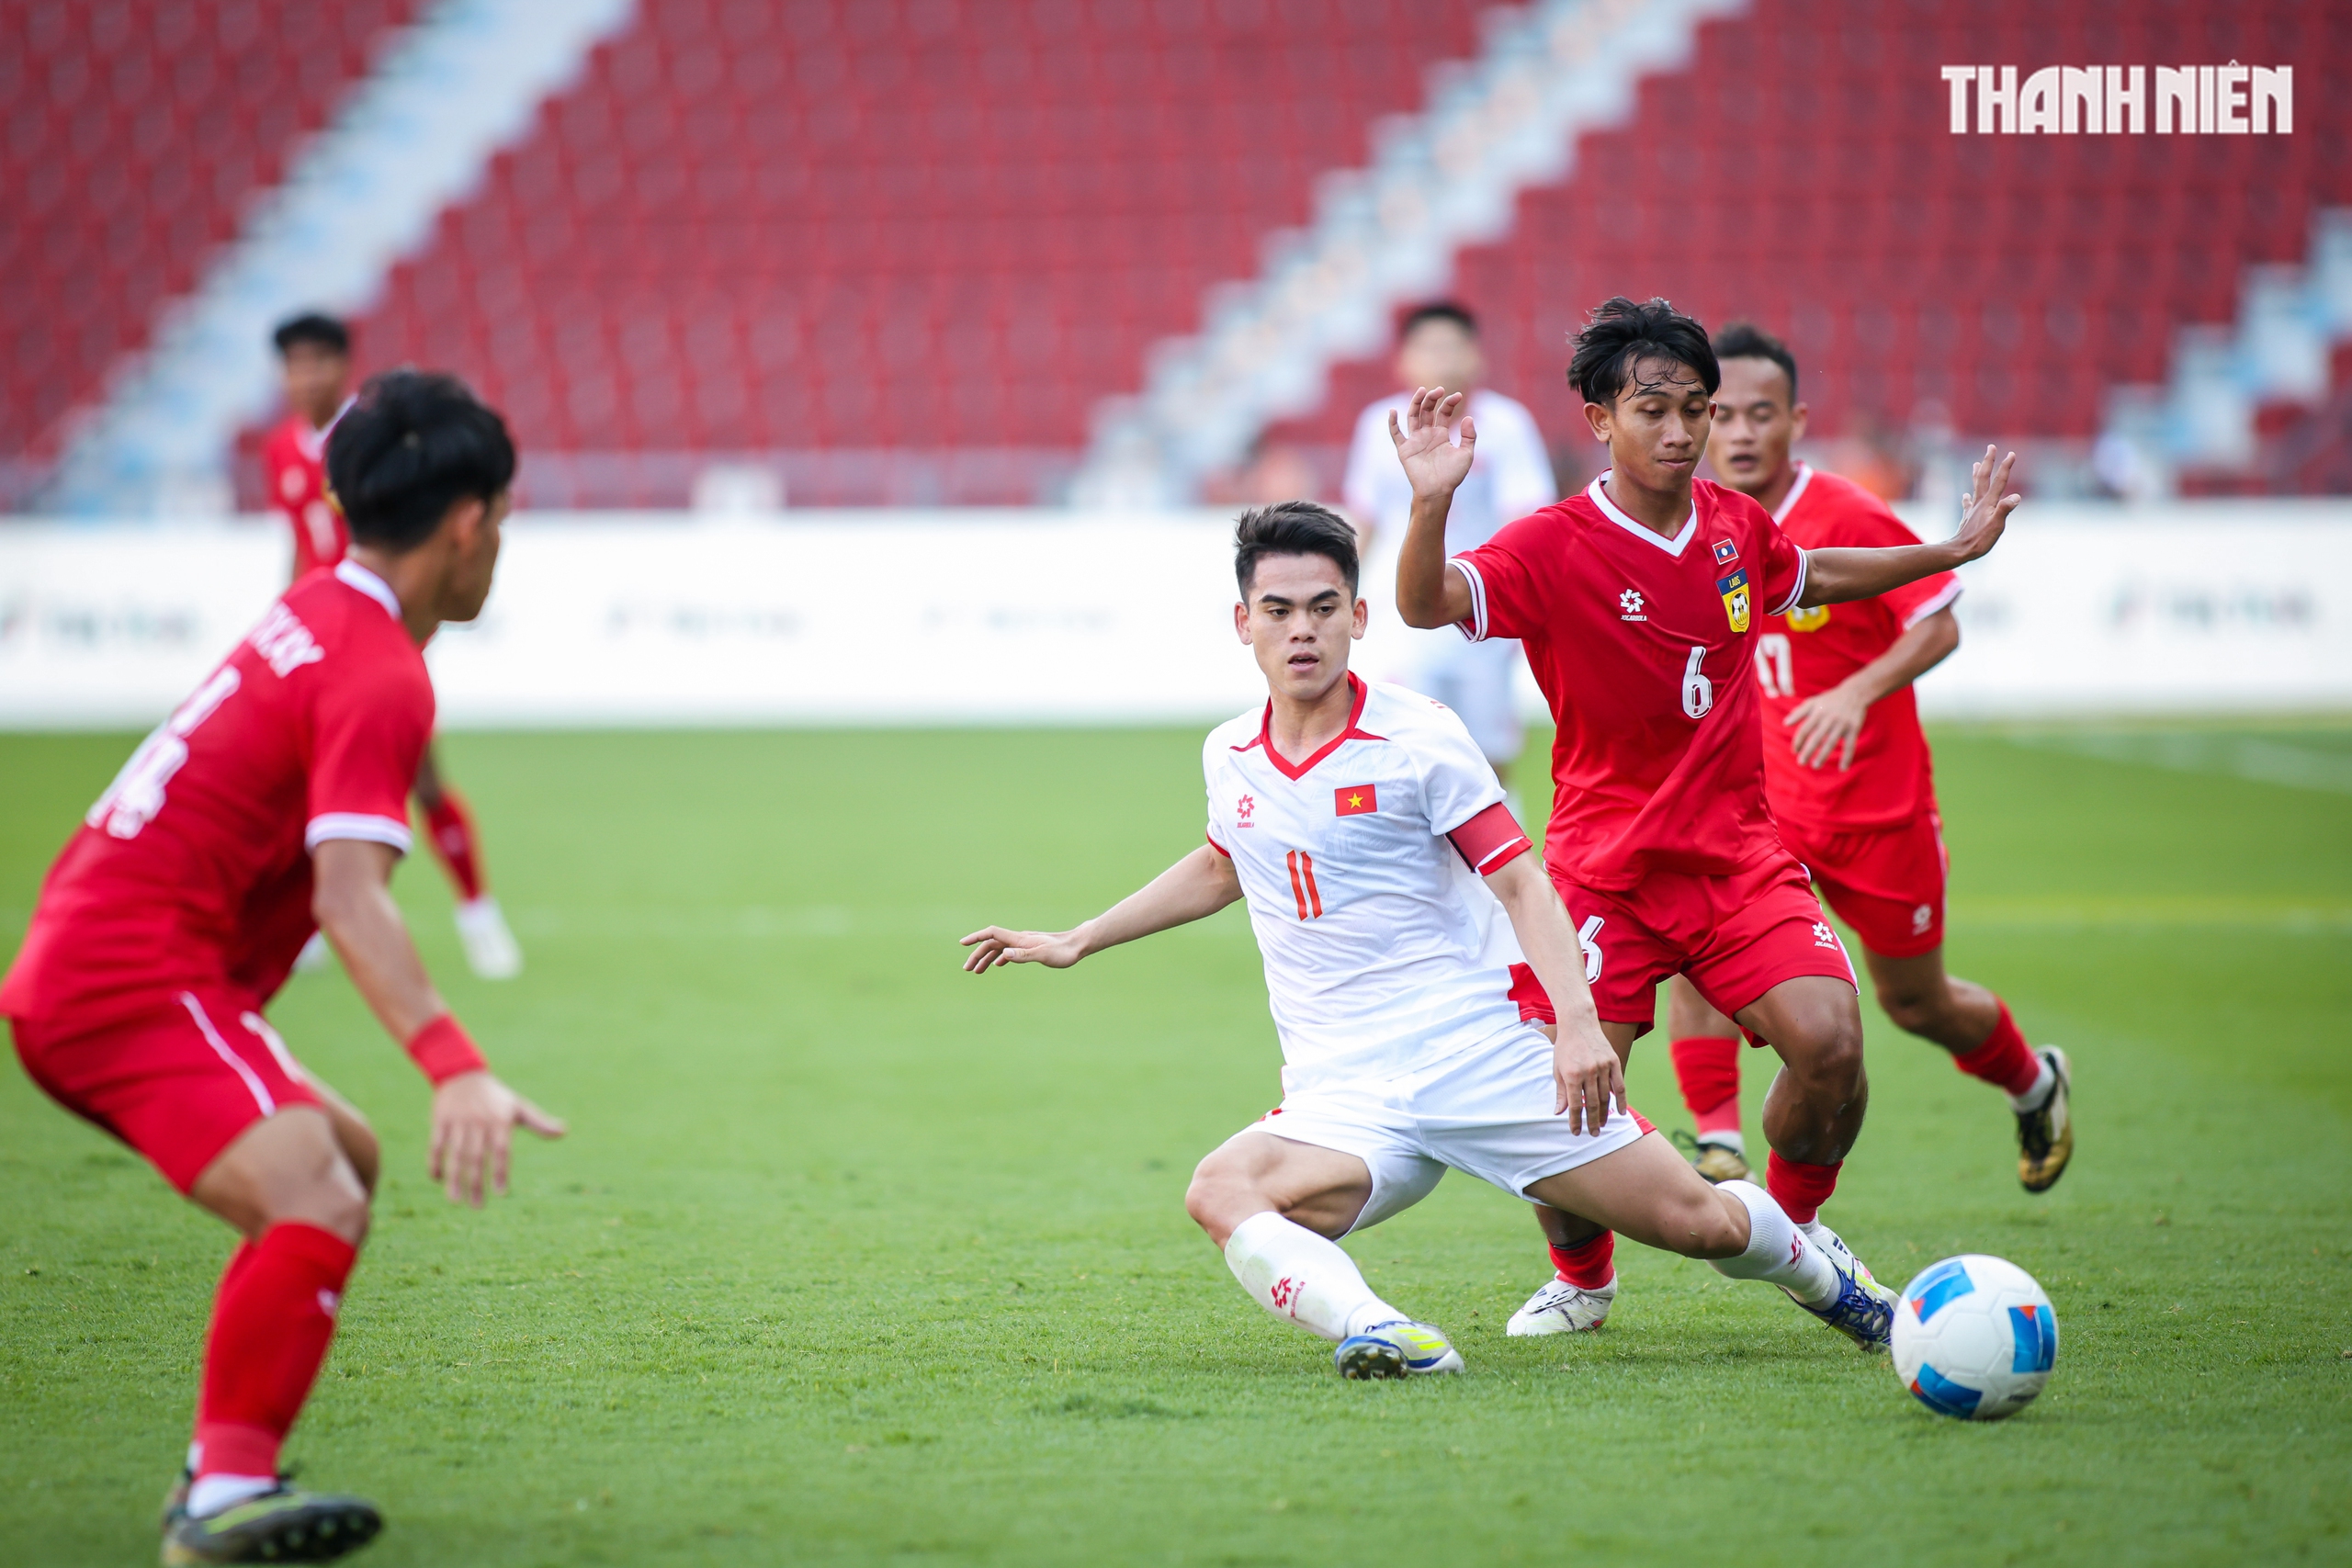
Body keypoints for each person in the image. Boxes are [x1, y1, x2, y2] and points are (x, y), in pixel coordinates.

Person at [959, 502, 1893, 1380]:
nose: (1301, 631)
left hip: (1479, 1054)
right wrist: (1081, 938)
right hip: (1343, 1092)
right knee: (1221, 1187)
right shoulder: (1228, 752)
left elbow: (1522, 882)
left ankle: (1826, 1283)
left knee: (1704, 1227)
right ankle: (1381, 1332)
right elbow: (1223, 863)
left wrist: (1574, 1023)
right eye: (1277, 610)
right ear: (1240, 622)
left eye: (1323, 608)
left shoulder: (1419, 736)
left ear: (1359, 617)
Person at [4, 371, 565, 1564]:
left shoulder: (319, 607)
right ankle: (220, 1499)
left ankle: (222, 1468)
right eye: (506, 520)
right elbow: (347, 898)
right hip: (128, 980)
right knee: (316, 1185)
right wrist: (455, 1064)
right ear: (467, 521)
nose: (503, 544)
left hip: (119, 954)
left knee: (343, 1161)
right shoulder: (376, 669)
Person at [1389, 297, 2023, 1340]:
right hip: (1602, 873)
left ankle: (1797, 1229)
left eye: (1695, 408)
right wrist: (1429, 506)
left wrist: (1949, 550)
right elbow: (1425, 606)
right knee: (1560, 1100)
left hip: (1737, 860)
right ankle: (1583, 1278)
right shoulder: (1550, 544)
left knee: (1832, 1044)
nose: (1682, 431)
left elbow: (1810, 576)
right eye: (1655, 410)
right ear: (1600, 420)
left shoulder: (1736, 526)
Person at [1660, 321, 2070, 1191]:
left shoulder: (1842, 511)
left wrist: (1854, 690)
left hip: (1877, 811)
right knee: (1695, 948)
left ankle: (2033, 1081)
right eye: (1720, 413)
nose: (1736, 432)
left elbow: (1939, 619)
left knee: (1915, 1003)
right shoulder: (1686, 522)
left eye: (1758, 413)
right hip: (1764, 814)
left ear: (1796, 420)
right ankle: (1720, 1142)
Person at [264, 314, 523, 982]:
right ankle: (311, 920)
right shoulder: (282, 451)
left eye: (318, 362)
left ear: (344, 365)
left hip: (381, 630)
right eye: (294, 365)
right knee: (306, 773)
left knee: (420, 776)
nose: (305, 378)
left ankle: (477, 911)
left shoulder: (379, 442)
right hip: (322, 629)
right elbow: (300, 544)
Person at [1342, 303, 1556, 788]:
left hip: (1482, 615)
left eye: (1452, 346)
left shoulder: (1506, 425)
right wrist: (1339, 592)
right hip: (1409, 618)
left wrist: (1524, 605)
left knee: (1487, 758)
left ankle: (1498, 862)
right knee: (1409, 756)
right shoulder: (1381, 425)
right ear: (1403, 361)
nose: (1441, 358)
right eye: (1428, 347)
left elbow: (1525, 522)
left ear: (1477, 357)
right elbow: (1365, 522)